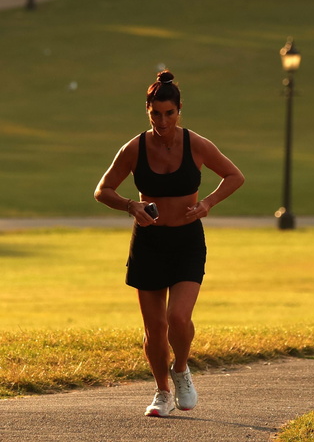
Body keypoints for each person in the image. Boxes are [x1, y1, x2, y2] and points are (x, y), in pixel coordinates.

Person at [94, 70, 245, 417]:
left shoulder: (197, 145)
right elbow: (103, 190)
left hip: (187, 241)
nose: (162, 121)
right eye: (155, 114)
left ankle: (181, 370)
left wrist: (207, 203)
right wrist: (131, 205)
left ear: (179, 111)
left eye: (169, 113)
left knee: (178, 318)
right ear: (147, 110)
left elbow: (235, 175)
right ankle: (162, 391)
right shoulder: (134, 148)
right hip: (148, 242)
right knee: (154, 329)